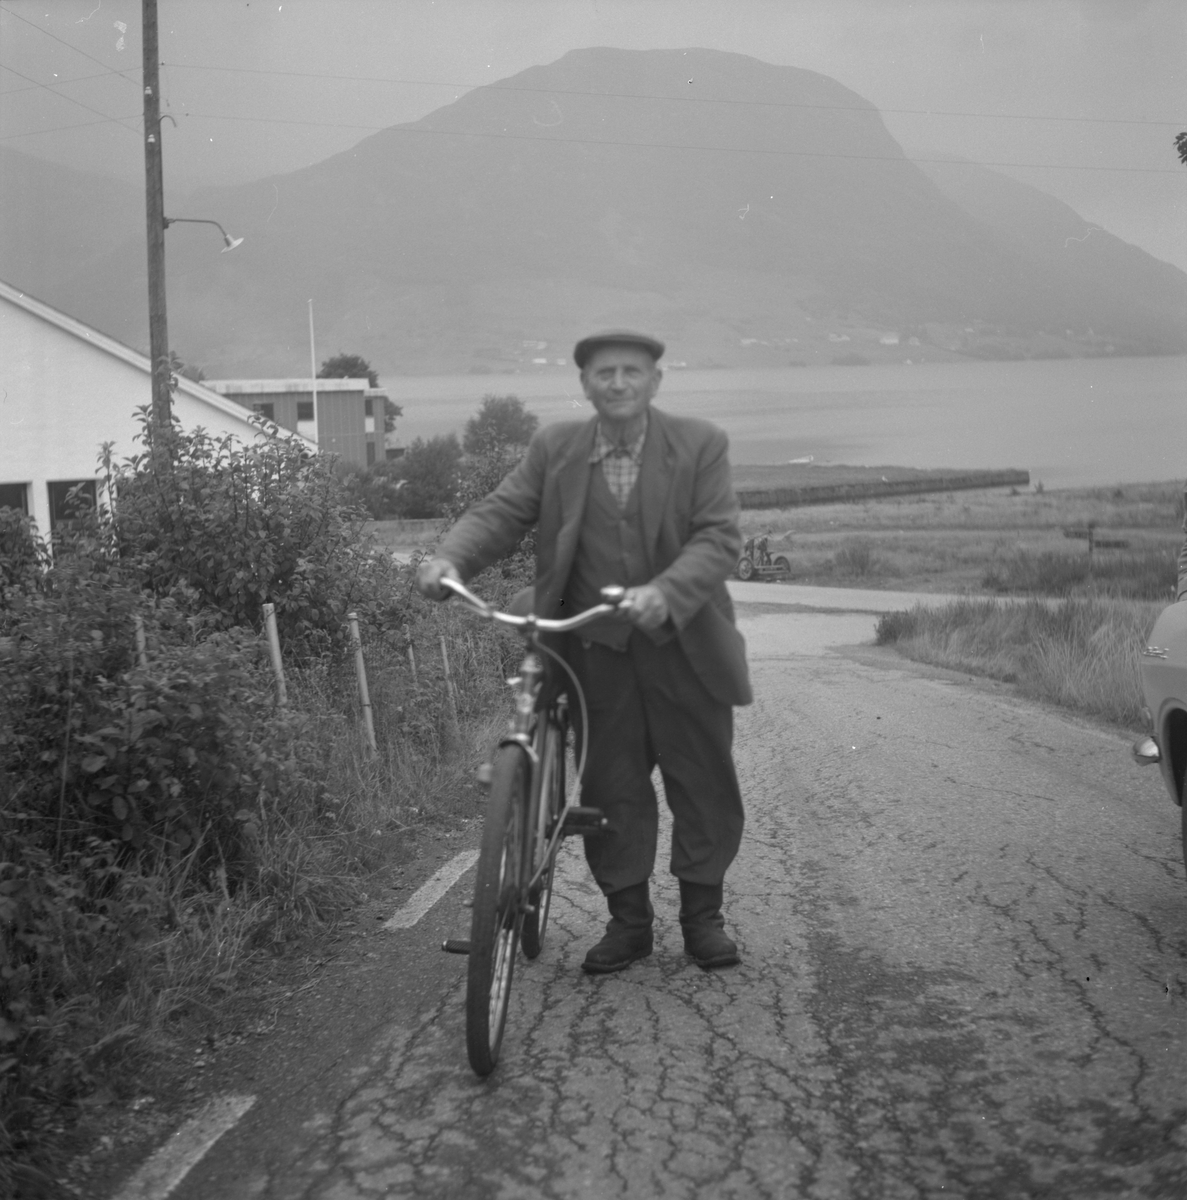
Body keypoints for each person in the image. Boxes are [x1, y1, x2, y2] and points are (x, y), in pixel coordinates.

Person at [418, 330, 751, 973]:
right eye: (605, 373)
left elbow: (718, 538)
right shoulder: (557, 449)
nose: (618, 382)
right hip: (596, 650)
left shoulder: (699, 444)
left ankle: (702, 919)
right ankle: (628, 923)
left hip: (685, 647)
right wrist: (450, 558)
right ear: (585, 385)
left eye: (632, 371)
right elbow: (503, 511)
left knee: (703, 783)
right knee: (611, 785)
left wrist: (666, 592)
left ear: (655, 381)